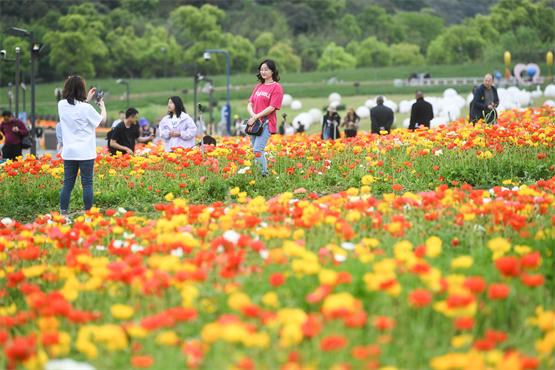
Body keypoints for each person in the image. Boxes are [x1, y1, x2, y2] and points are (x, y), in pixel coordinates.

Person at [58, 75, 107, 215]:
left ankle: (63, 212)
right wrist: (102, 106)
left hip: (69, 152)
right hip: (85, 152)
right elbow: (102, 121)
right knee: (87, 184)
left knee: (67, 184)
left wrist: (86, 100)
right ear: (82, 89)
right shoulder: (86, 108)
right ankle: (88, 212)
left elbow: (74, 107)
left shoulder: (61, 105)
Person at [247, 59, 284, 176]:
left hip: (266, 123)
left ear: (272, 71)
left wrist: (256, 116)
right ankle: (258, 174)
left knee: (258, 150)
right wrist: (253, 116)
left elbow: (272, 107)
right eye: (261, 69)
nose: (263, 72)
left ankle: (264, 174)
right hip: (255, 124)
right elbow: (250, 103)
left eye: (266, 69)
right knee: (255, 151)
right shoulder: (258, 86)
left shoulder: (276, 87)